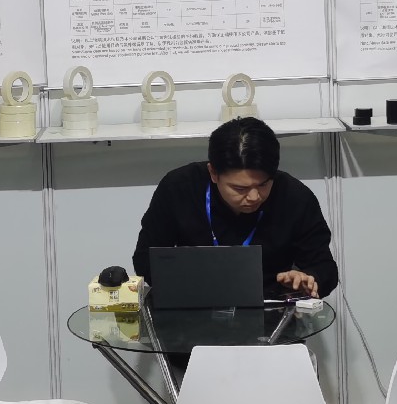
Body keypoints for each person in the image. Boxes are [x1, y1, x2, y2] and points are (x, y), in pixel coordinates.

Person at [132, 117, 339, 299]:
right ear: (213, 173)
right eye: (240, 188)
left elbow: (325, 267)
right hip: (192, 303)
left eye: (263, 184)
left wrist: (309, 279)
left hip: (271, 306)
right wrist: (185, 282)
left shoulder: (294, 197)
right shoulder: (179, 188)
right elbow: (145, 259)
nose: (254, 197)